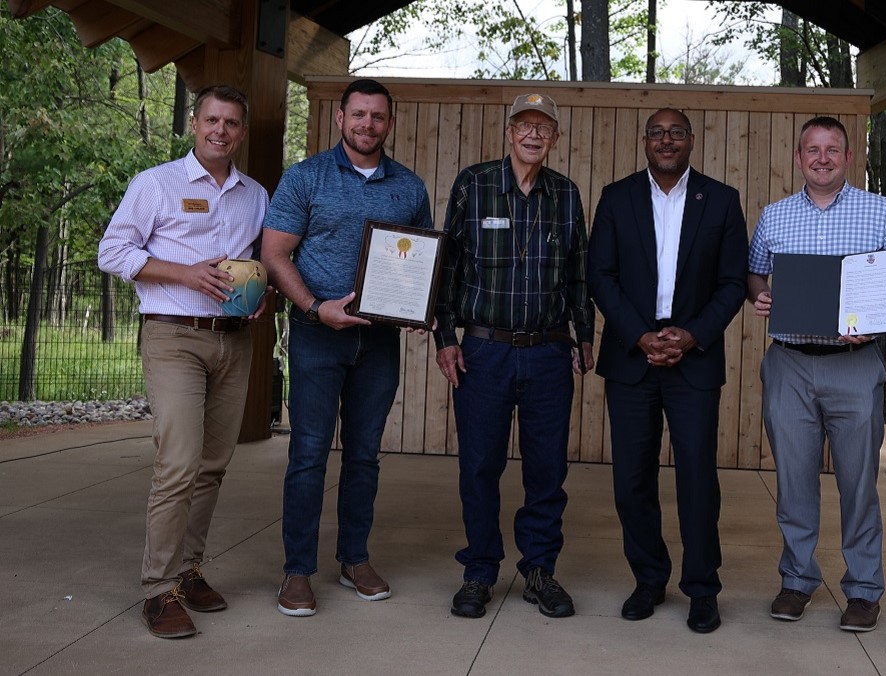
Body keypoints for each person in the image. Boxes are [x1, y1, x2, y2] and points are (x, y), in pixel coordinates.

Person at [98, 84, 268, 639]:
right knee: (178, 463)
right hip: (173, 336)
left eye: (232, 123)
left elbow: (260, 261)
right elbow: (113, 251)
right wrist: (184, 272)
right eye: (212, 121)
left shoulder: (255, 196)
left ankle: (190, 571)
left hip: (233, 339)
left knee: (214, 464)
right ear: (194, 124)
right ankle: (158, 589)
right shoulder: (156, 184)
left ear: (242, 131)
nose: (221, 131)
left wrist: (261, 294)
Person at [262, 78, 434, 617]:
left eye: (377, 117)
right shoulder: (305, 177)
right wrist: (316, 308)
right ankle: (297, 572)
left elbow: (421, 259)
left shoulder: (407, 186)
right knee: (308, 454)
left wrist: (415, 306)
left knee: (364, 455)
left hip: (378, 341)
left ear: (390, 122)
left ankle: (354, 558)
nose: (367, 125)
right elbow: (274, 254)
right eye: (358, 114)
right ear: (340, 118)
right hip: (317, 335)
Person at [746, 116, 886, 633]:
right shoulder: (775, 216)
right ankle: (797, 580)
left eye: (832, 149)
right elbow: (754, 273)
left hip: (855, 365)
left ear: (847, 157)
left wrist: (881, 319)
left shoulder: (879, 211)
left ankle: (863, 590)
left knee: (858, 483)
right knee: (793, 482)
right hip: (790, 363)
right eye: (812, 149)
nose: (822, 157)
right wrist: (761, 296)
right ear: (799, 158)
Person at [434, 93, 595, 620]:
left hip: (550, 351)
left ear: (554, 138)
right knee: (480, 466)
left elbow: (578, 274)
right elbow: (447, 267)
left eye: (543, 127)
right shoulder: (474, 184)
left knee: (547, 469)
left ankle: (540, 570)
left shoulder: (566, 195)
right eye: (523, 125)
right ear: (508, 133)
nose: (532, 135)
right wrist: (446, 339)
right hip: (484, 350)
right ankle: (479, 570)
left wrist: (584, 335)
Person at [588, 108, 748, 634]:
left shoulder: (721, 200)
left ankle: (702, 588)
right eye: (657, 133)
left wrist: (692, 335)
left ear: (691, 141)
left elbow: (732, 283)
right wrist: (640, 334)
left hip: (693, 359)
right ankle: (649, 578)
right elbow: (600, 276)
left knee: (698, 480)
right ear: (645, 141)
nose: (666, 140)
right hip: (631, 357)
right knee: (631, 480)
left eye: (676, 133)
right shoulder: (617, 197)